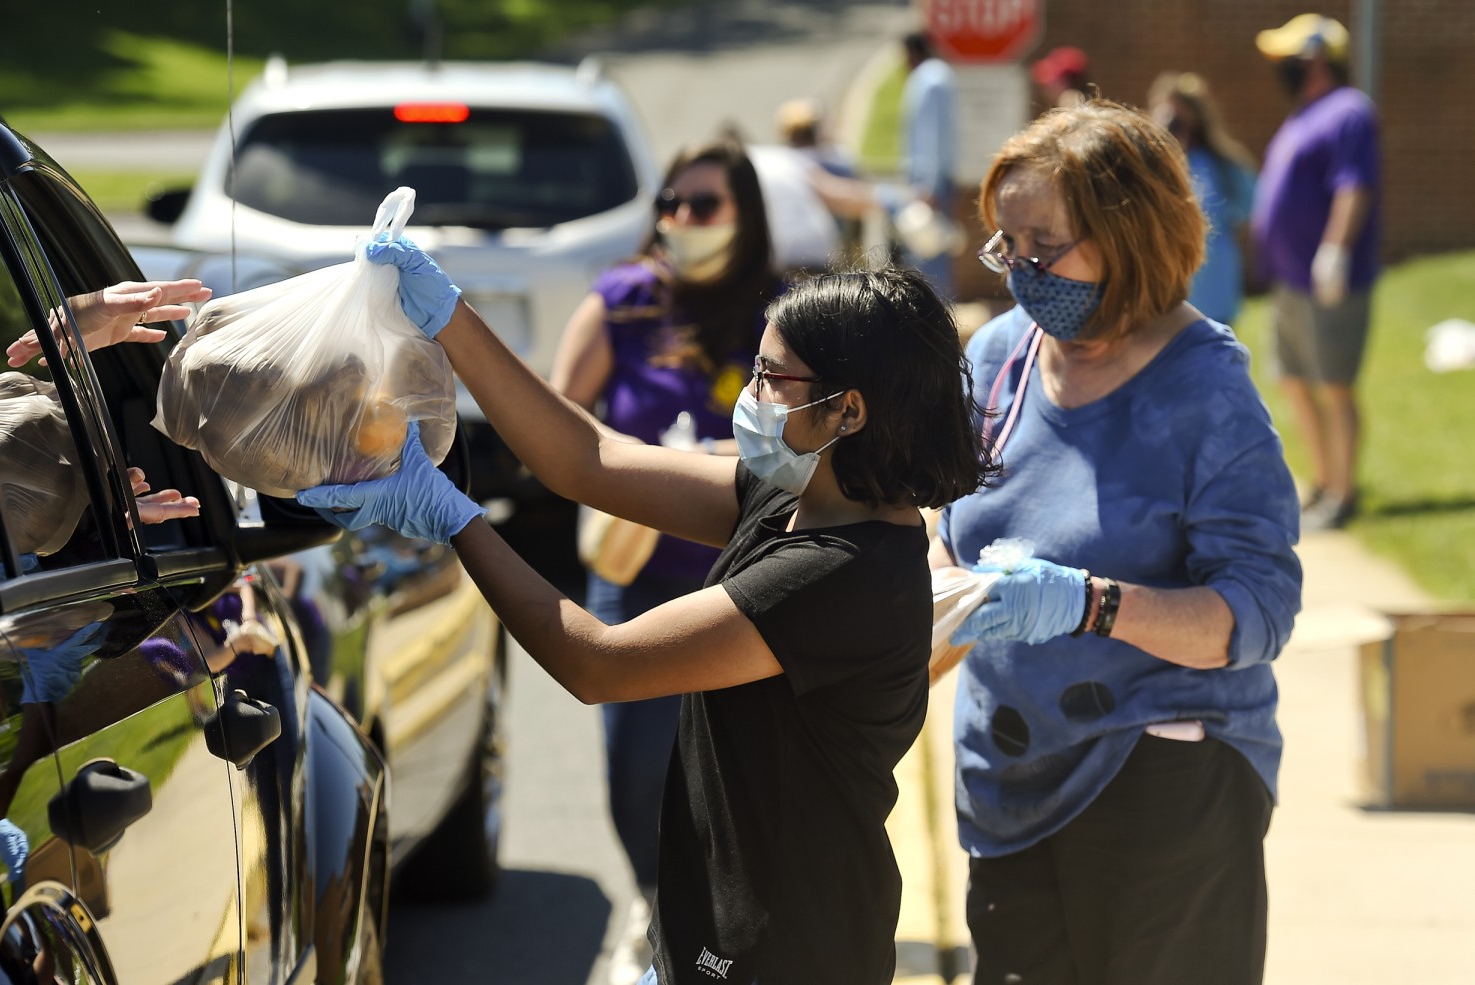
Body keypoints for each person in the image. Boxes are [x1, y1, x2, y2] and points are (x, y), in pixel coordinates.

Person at [297, 252, 995, 983]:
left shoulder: (845, 571)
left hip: (783, 954)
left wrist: (455, 519)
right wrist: (450, 319)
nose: (750, 395)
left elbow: (599, 661)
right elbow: (589, 459)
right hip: (715, 940)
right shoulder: (794, 498)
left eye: (771, 377)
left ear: (848, 409)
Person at [934, 99, 1302, 985]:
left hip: (1164, 781)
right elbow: (941, 521)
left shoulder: (1206, 394)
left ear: (1128, 235)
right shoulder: (996, 358)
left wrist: (1086, 604)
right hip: (1008, 779)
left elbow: (1257, 612)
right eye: (1006, 246)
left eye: (1044, 247)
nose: (1022, 272)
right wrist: (944, 588)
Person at [547, 136, 780, 984]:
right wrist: (634, 458)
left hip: (750, 584)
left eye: (703, 205)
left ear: (746, 215)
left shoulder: (783, 309)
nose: (682, 220)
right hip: (636, 577)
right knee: (637, 763)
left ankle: (717, 932)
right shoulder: (623, 301)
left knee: (738, 773)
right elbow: (560, 417)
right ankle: (651, 901)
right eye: (671, 205)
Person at [1251, 13, 1380, 531]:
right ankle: (1323, 483)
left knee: (1335, 385)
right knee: (1299, 382)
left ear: (1318, 60)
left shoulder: (1350, 111)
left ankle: (1344, 494)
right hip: (1289, 280)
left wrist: (1335, 250)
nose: (1280, 68)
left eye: (1288, 59)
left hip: (1329, 280)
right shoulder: (1303, 115)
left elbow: (1354, 184)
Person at [1148, 71, 1257, 324]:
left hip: (1213, 288)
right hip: (1166, 293)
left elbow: (1250, 205)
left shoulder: (1221, 163)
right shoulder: (1149, 166)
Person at [893, 31, 959, 296]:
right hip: (937, 177)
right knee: (933, 248)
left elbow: (928, 134)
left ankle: (932, 312)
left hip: (928, 180)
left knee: (927, 250)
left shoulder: (928, 79)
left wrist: (926, 185)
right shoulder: (940, 74)